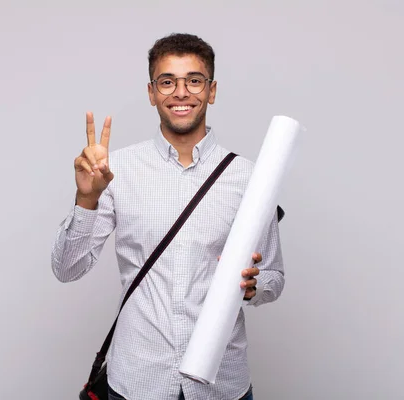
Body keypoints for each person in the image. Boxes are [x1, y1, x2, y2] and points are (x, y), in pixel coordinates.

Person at [51, 33, 285, 400]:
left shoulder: (249, 177)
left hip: (221, 383)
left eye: (194, 80)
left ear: (211, 90)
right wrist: (86, 199)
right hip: (138, 381)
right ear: (151, 93)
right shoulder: (117, 170)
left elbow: (273, 275)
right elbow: (67, 269)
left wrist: (254, 285)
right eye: (167, 81)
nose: (181, 92)